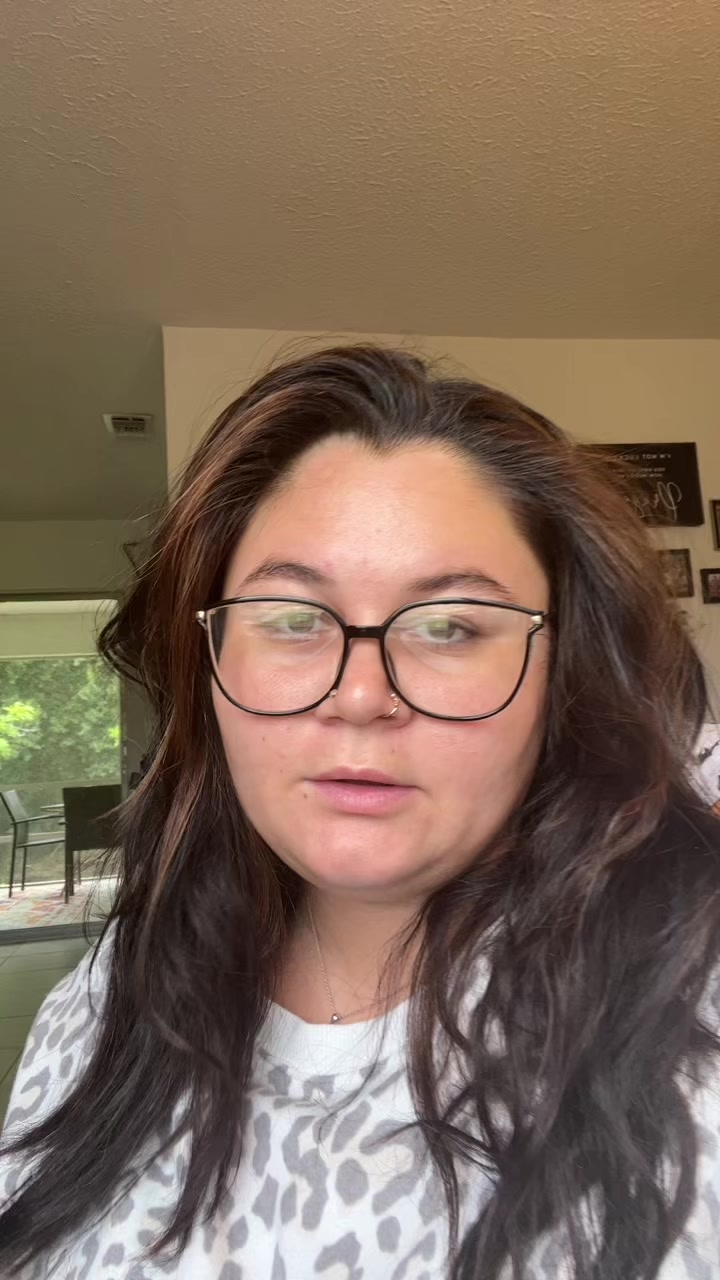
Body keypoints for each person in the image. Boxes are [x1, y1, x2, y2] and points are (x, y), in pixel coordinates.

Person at [1, 344, 719, 1280]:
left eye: (450, 627)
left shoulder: (685, 1015)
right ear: (206, 665)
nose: (361, 696)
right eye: (294, 619)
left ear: (564, 679)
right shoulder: (105, 1000)